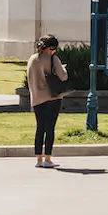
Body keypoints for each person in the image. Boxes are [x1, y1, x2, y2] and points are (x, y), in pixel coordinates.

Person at [26, 35, 69, 169]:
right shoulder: (53, 59)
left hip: (37, 98)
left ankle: (38, 158)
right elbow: (63, 77)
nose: (54, 51)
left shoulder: (32, 59)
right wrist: (64, 69)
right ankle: (48, 158)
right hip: (52, 97)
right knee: (50, 128)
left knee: (40, 128)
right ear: (48, 48)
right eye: (53, 48)